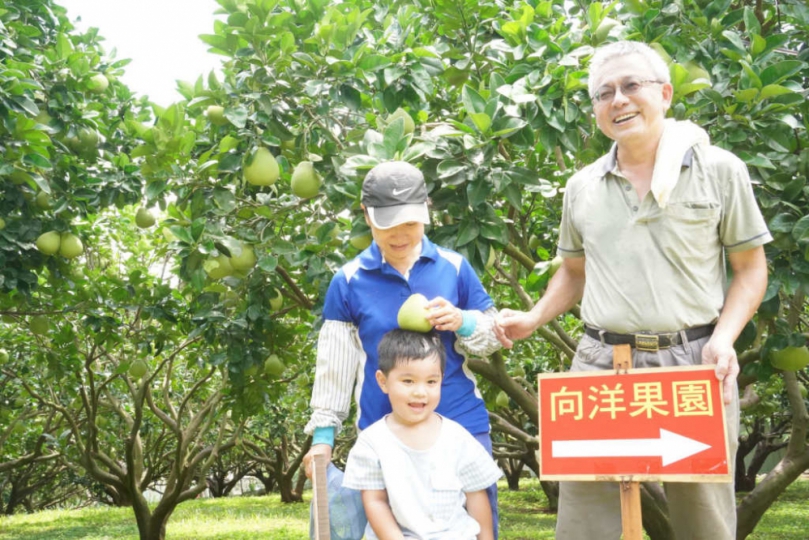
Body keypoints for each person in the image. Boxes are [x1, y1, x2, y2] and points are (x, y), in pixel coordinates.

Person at [496, 41, 771, 540]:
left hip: (693, 361)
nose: (617, 100)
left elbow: (750, 268)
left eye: (630, 86)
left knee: (703, 521)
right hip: (601, 363)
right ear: (596, 111)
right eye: (603, 93)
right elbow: (574, 273)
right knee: (585, 523)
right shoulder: (581, 186)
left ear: (664, 93)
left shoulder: (720, 169)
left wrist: (725, 338)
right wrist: (534, 316)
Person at [303, 161, 503, 533]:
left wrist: (464, 320)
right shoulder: (348, 281)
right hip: (384, 430)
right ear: (366, 215)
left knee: (473, 526)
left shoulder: (454, 267)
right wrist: (323, 437)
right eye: (387, 224)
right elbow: (335, 365)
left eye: (410, 223)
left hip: (459, 421)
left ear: (426, 210)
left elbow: (492, 338)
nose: (399, 235)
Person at [342, 329, 502, 540]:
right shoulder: (372, 442)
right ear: (382, 381)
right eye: (408, 381)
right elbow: (375, 501)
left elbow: (476, 496)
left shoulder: (457, 437)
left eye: (431, 382)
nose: (420, 392)